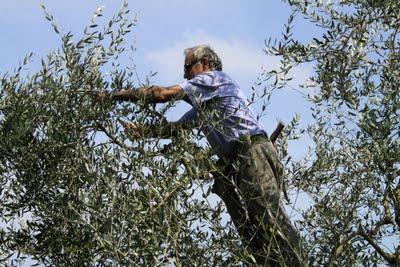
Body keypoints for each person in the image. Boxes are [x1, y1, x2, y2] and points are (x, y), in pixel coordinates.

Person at [102, 45, 304, 266]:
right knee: (256, 234)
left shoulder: (213, 79)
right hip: (242, 161)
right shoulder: (206, 104)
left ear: (205, 63)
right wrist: (144, 133)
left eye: (188, 68)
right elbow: (175, 129)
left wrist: (115, 96)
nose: (185, 75)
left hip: (252, 153)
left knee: (270, 222)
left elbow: (161, 94)